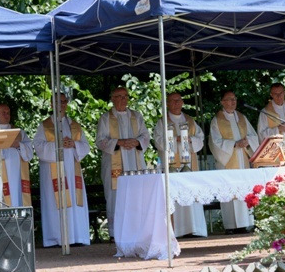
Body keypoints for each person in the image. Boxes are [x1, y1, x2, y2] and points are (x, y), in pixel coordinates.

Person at [33, 94, 91, 247]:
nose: (61, 105)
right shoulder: (44, 126)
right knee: (55, 202)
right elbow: (38, 147)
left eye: (64, 101)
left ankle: (77, 237)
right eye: (57, 102)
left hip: (72, 172)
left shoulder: (75, 125)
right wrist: (58, 144)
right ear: (52, 104)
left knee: (73, 199)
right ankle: (55, 238)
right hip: (52, 172)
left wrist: (74, 144)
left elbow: (86, 147)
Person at [96, 87, 150, 239]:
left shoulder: (136, 116)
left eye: (125, 96)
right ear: (112, 98)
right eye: (119, 96)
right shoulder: (105, 118)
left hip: (134, 160)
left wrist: (137, 141)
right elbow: (100, 141)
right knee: (116, 195)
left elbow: (146, 136)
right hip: (114, 163)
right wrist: (119, 142)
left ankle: (138, 229)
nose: (123, 99)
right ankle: (116, 232)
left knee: (137, 194)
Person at [153, 92, 208, 237]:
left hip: (189, 161)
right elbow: (157, 140)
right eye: (173, 101)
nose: (176, 103)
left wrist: (190, 140)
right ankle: (177, 230)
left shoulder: (190, 120)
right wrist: (172, 139)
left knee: (191, 192)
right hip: (171, 164)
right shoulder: (162, 121)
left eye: (178, 100)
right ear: (167, 104)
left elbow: (200, 138)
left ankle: (194, 228)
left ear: (182, 102)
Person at [208, 91, 259, 233]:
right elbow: (215, 142)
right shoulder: (216, 120)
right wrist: (234, 145)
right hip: (228, 161)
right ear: (222, 102)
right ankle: (231, 226)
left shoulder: (242, 117)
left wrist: (247, 142)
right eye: (229, 99)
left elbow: (253, 135)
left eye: (234, 99)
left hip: (243, 159)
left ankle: (247, 222)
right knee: (230, 190)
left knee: (244, 189)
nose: (232, 102)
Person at [0, 104, 33, 207]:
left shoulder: (19, 132)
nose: (6, 115)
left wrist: (18, 145)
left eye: (8, 113)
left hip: (17, 176)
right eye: (3, 112)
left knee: (16, 199)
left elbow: (29, 154)